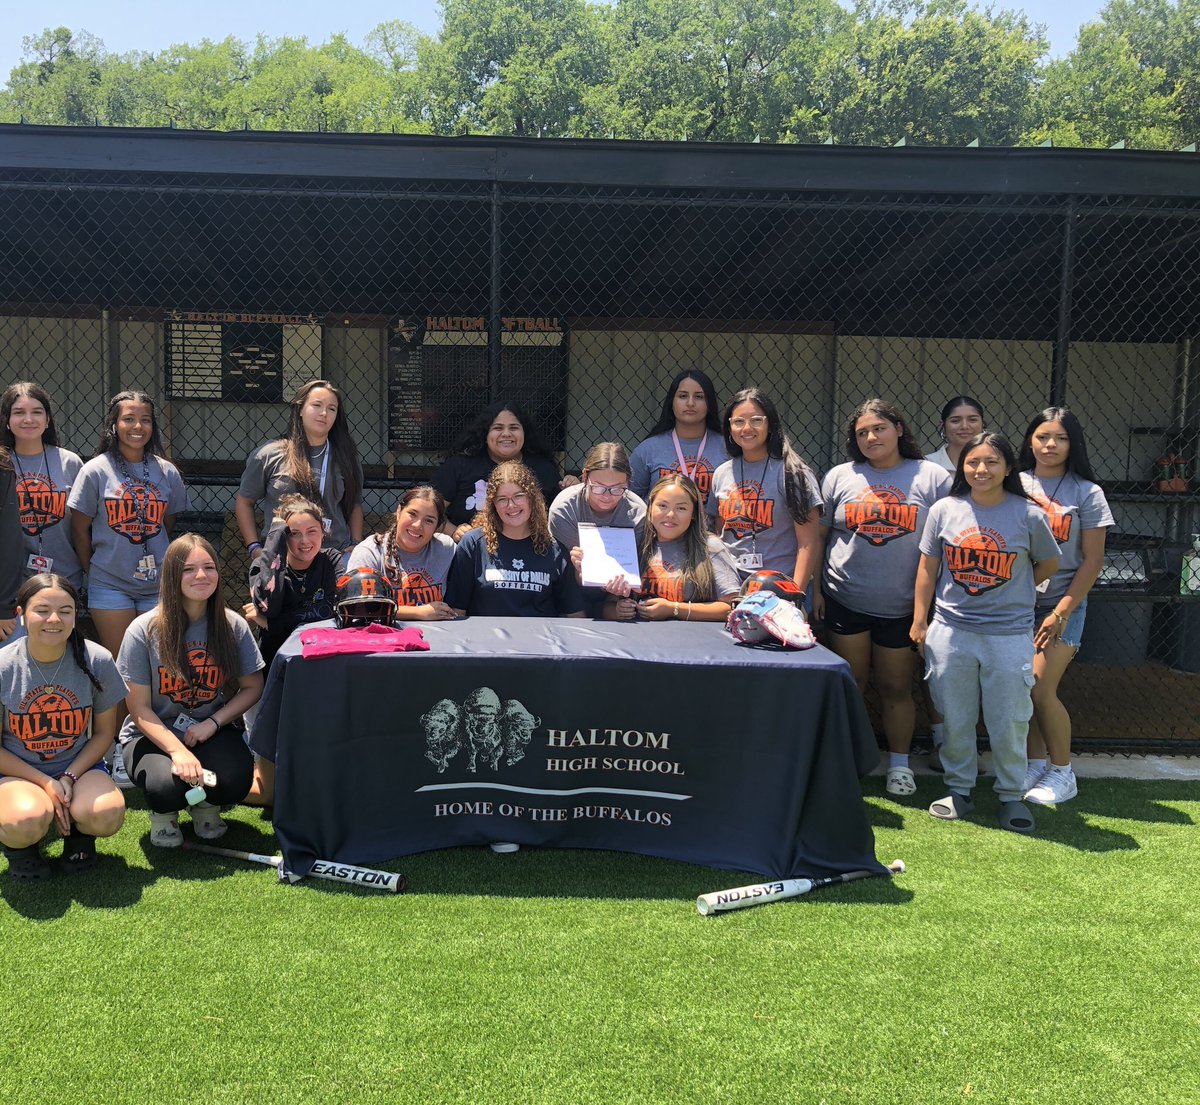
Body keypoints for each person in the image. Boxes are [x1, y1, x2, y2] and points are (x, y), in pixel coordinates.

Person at [911, 432, 1060, 834]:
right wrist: (920, 620)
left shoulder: (1028, 515)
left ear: (1009, 468)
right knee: (955, 716)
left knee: (1009, 719)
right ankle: (959, 788)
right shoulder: (944, 509)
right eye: (973, 462)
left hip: (1008, 635)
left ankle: (1010, 794)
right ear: (962, 467)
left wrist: (1016, 591)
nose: (981, 469)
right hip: (951, 631)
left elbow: (1046, 564)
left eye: (992, 462)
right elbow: (928, 569)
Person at [812, 399, 952, 798]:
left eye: (879, 428)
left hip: (903, 606)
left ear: (900, 429)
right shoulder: (841, 475)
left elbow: (947, 541)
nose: (871, 437)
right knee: (850, 682)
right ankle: (847, 759)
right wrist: (817, 590)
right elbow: (821, 537)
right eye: (862, 433)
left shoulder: (932, 476)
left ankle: (900, 765)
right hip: (846, 597)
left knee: (895, 686)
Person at [117, 534, 264, 848]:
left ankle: (205, 805)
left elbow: (253, 687)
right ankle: (164, 815)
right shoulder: (143, 630)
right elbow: (138, 710)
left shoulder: (232, 625)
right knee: (165, 785)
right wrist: (177, 751)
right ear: (172, 575)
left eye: (209, 567)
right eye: (189, 569)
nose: (201, 575)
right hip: (152, 736)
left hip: (208, 729)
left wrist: (212, 723)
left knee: (236, 778)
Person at [1017, 407, 1114, 806]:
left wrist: (1061, 612)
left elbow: (1092, 560)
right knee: (1022, 690)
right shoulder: (1014, 483)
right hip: (1016, 605)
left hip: (1062, 605)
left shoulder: (1087, 492)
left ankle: (1062, 772)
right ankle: (1034, 764)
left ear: (1073, 444)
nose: (1050, 445)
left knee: (1041, 687)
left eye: (1059, 438)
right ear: (1030, 441)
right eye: (1042, 437)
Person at [0, 575, 127, 879]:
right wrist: (46, 783)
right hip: (19, 771)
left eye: (65, 611)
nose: (54, 619)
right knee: (25, 819)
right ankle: (21, 850)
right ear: (21, 614)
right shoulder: (4, 666)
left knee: (106, 814)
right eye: (42, 610)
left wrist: (69, 777)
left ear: (75, 615)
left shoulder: (96, 659)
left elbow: (104, 733)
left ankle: (78, 842)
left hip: (79, 768)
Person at [68, 391, 191, 662]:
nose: (138, 427)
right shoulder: (96, 470)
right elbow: (79, 528)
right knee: (121, 662)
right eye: (129, 419)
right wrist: (94, 570)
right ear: (114, 424)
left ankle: (147, 708)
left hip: (158, 584)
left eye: (145, 420)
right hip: (110, 584)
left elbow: (167, 523)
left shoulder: (167, 471)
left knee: (158, 663)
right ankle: (124, 708)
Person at [236, 379, 364, 565]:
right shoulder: (269, 454)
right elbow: (244, 501)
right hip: (282, 556)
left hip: (334, 555)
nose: (323, 413)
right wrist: (255, 548)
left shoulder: (346, 458)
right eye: (317, 405)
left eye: (331, 409)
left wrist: (356, 544)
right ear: (300, 409)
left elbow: (355, 504)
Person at [706, 387, 822, 593]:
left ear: (770, 425)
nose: (747, 428)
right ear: (730, 427)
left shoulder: (793, 472)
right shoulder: (722, 473)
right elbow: (720, 531)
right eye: (739, 422)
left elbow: (808, 543)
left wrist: (795, 596)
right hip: (731, 587)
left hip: (779, 586)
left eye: (756, 420)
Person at [445, 461, 585, 618]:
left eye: (519, 496)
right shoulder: (472, 545)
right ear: (493, 504)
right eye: (502, 499)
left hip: (539, 640)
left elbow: (574, 614)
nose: (511, 505)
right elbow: (457, 612)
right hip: (486, 640)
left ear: (531, 498)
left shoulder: (554, 549)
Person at [603, 474, 740, 622]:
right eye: (662, 505)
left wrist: (674, 609)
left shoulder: (710, 547)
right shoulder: (636, 544)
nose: (670, 514)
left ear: (693, 513)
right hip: (640, 640)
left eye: (681, 508)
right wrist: (619, 610)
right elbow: (605, 607)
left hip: (694, 641)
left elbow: (731, 607)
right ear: (649, 509)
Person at [432, 400, 573, 541]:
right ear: (485, 434)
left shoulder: (543, 469)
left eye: (514, 428)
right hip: (471, 551)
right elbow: (428, 510)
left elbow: (565, 516)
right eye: (498, 428)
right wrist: (454, 531)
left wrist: (574, 490)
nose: (506, 434)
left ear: (524, 432)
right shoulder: (459, 466)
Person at [3, 382, 85, 594]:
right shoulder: (2, 463)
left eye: (37, 412)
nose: (28, 419)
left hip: (64, 579)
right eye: (19, 412)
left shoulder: (70, 462)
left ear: (47, 420)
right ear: (7, 421)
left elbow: (83, 524)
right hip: (12, 585)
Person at [548, 443, 647, 616]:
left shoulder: (637, 513)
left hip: (615, 595)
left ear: (628, 482)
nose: (607, 496)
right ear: (585, 477)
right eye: (599, 487)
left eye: (617, 489)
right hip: (570, 591)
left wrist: (622, 588)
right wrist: (579, 570)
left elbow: (633, 569)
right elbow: (564, 575)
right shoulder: (564, 510)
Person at [347, 486, 458, 620]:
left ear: (437, 526)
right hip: (382, 633)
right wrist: (418, 613)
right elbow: (357, 606)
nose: (417, 525)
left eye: (429, 520)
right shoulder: (370, 552)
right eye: (412, 514)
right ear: (399, 511)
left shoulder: (446, 549)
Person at [629, 370, 727, 505]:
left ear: (709, 403)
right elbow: (630, 499)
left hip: (710, 526)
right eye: (683, 396)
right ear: (671, 402)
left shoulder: (727, 448)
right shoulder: (647, 450)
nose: (690, 403)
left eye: (699, 397)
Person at [927, 396, 986, 473]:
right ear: (943, 425)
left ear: (982, 424)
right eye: (955, 421)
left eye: (972, 420)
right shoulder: (928, 465)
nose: (964, 426)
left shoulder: (995, 463)